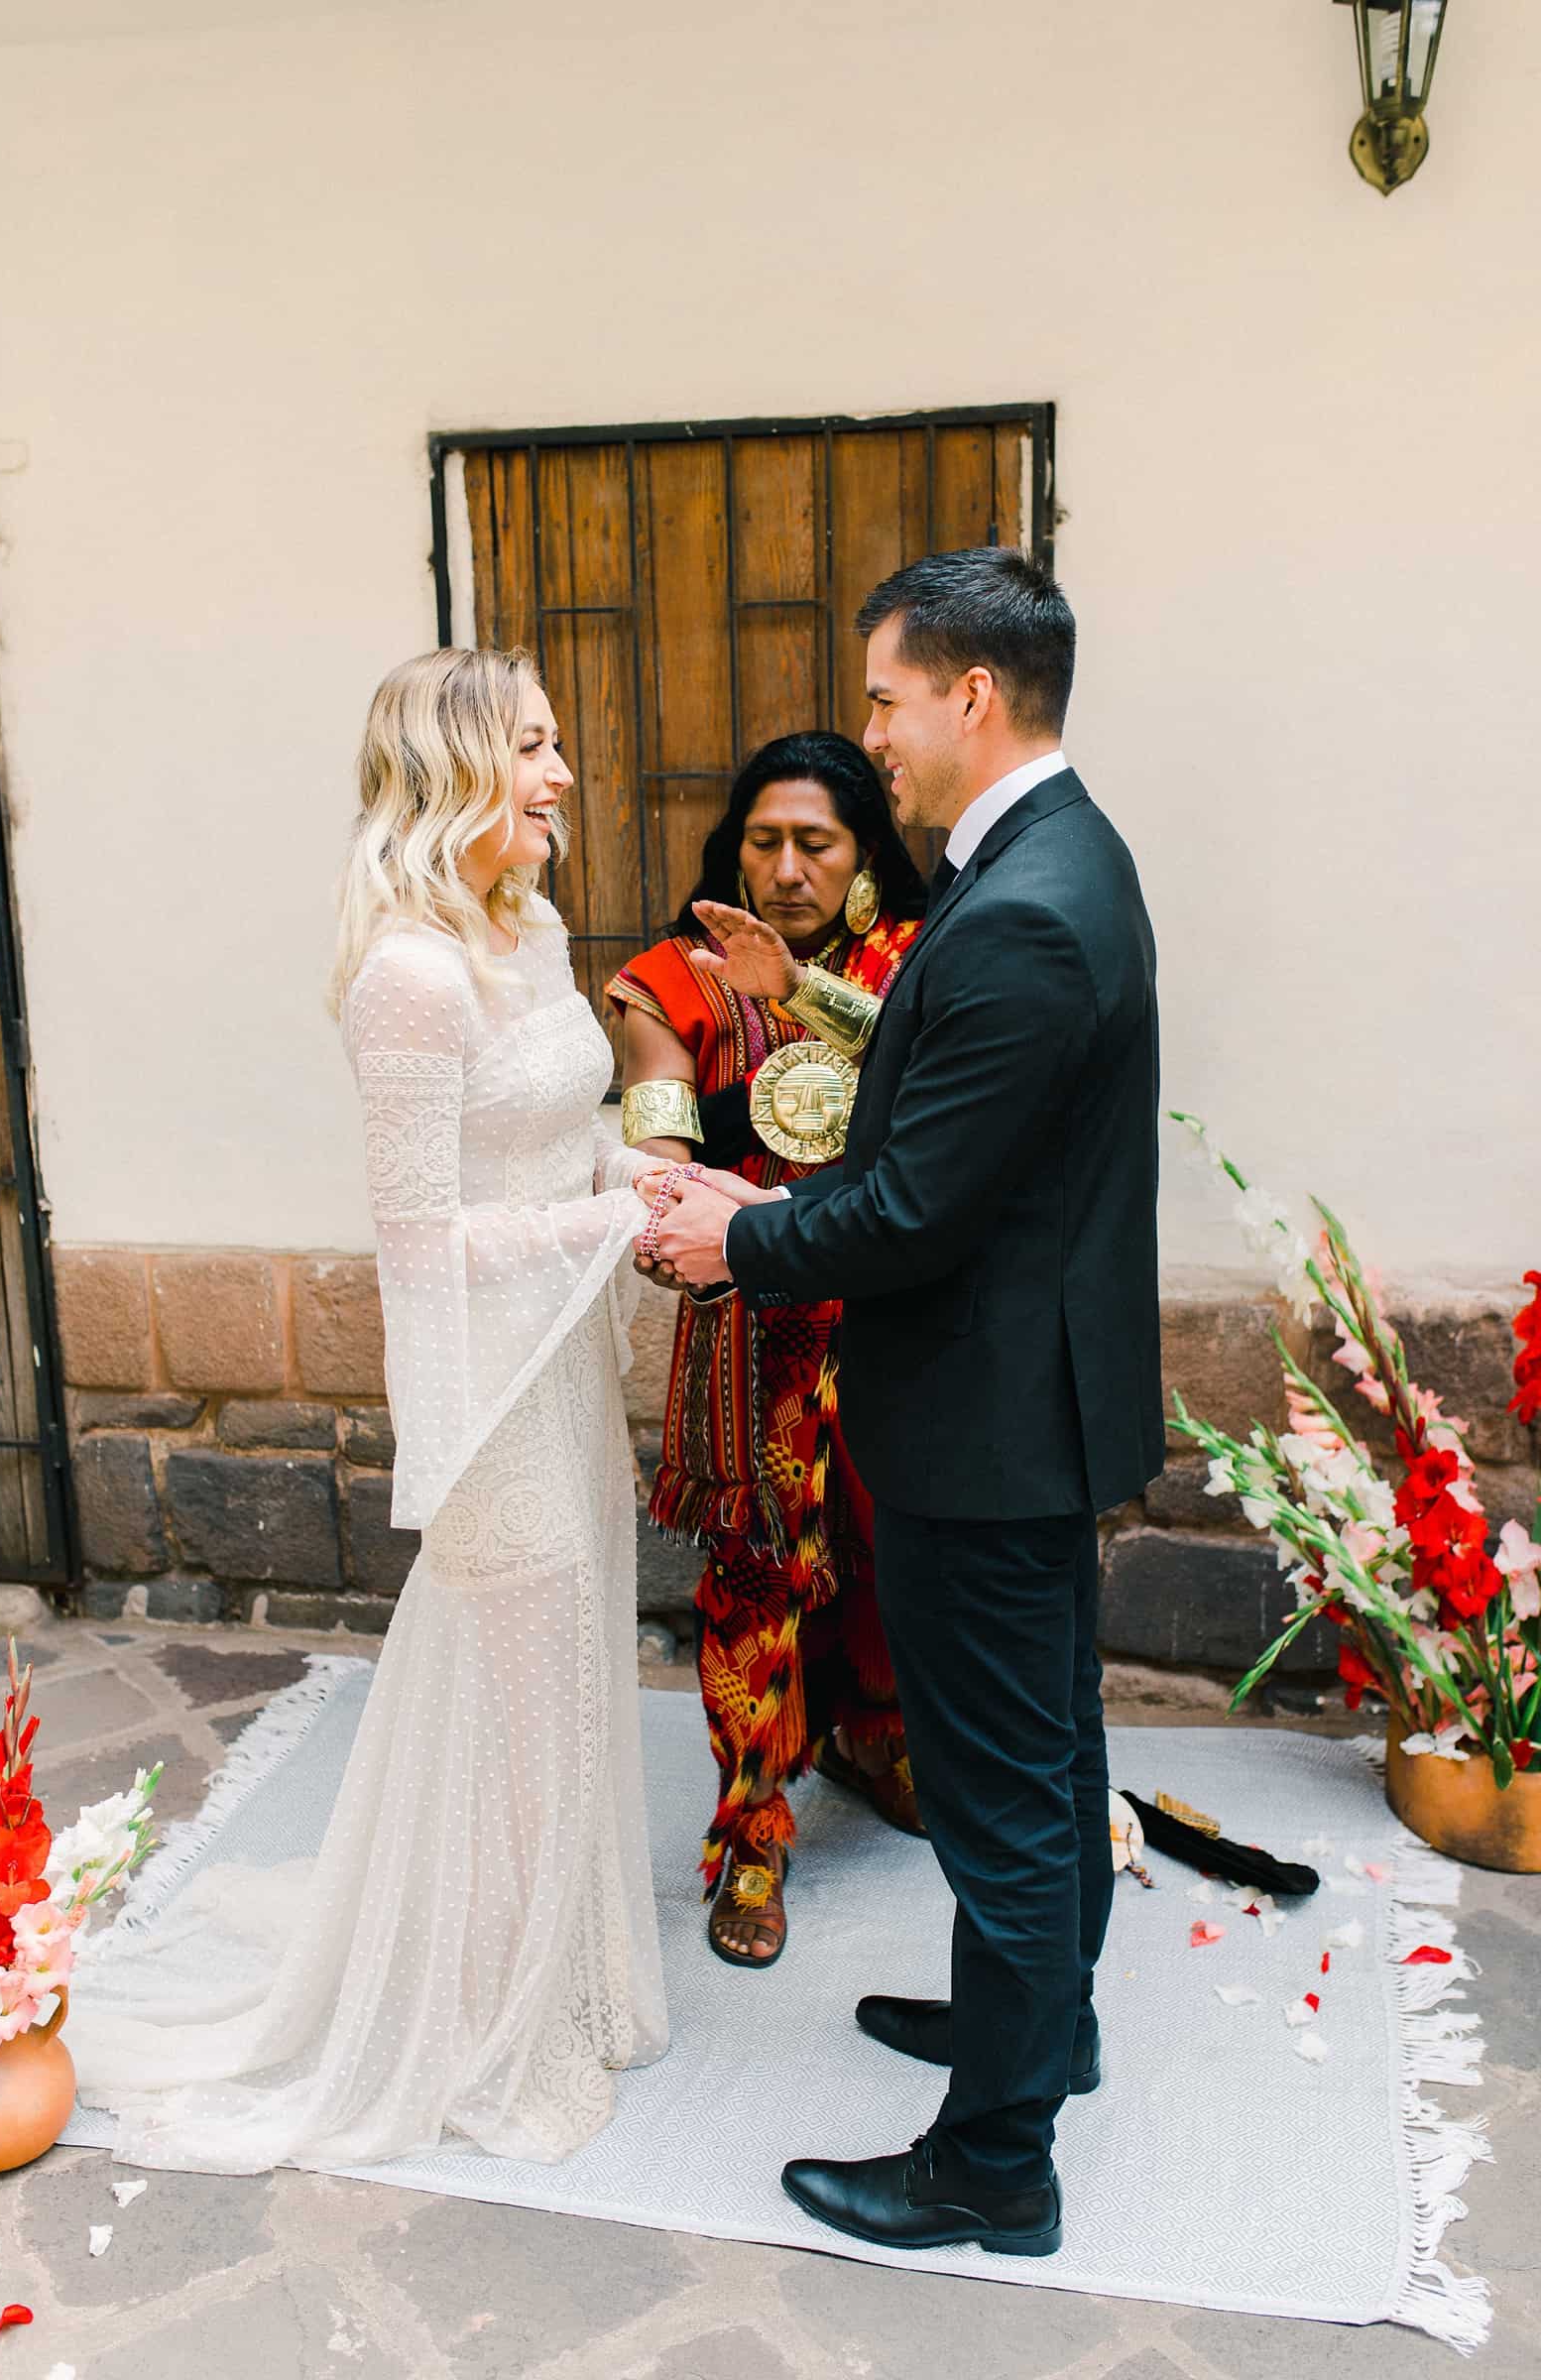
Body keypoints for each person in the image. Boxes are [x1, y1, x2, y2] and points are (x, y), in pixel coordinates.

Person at [69, 648, 667, 2172]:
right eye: (532, 749)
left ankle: (561, 1979)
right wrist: (600, 1229)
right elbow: (422, 1241)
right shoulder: (408, 978)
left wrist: (643, 1181)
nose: (561, 776)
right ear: (457, 768)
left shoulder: (526, 932)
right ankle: (484, 2031)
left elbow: (555, 1142)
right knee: (528, 1706)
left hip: (567, 1381)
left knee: (574, 1687)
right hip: (488, 1404)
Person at [644, 549, 1162, 2256]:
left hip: (986, 1426)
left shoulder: (1015, 905)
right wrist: (819, 1007)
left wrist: (746, 1238)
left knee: (1007, 1798)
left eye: (883, 696)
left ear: (971, 697)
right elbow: (957, 1108)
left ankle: (994, 2165)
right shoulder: (1060, 862)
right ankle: (1046, 2031)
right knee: (1053, 1752)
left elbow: (919, 1208)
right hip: (1032, 1403)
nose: (874, 731)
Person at [607, 734, 928, 1967]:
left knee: (898, 1543)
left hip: (893, 1314)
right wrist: (660, 1187)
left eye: (817, 843)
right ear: (730, 847)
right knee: (755, 1572)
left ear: (864, 858)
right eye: (763, 840)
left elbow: (932, 1079)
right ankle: (748, 1827)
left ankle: (877, 1741)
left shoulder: (914, 964)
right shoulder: (669, 981)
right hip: (752, 1326)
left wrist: (797, 989)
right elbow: (661, 1133)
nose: (787, 867)